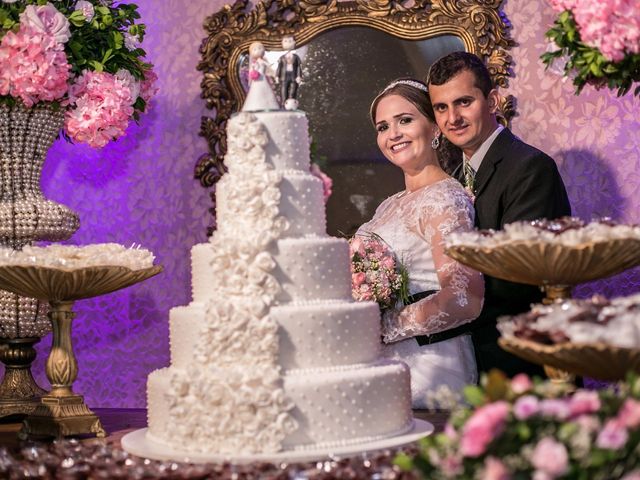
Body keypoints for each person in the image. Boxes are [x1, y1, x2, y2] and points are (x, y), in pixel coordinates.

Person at [426, 51, 571, 377]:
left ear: (491, 101)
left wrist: (431, 303)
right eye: (441, 108)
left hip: (519, 360)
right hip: (468, 360)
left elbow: (518, 276)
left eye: (464, 102)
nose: (453, 118)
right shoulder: (450, 176)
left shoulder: (530, 168)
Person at [357, 78, 484, 408]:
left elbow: (464, 298)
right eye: (383, 126)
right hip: (386, 363)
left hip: (432, 364)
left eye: (405, 120)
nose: (393, 134)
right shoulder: (389, 205)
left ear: (435, 128)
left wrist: (386, 326)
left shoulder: (445, 198)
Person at [243, 41, 279, 112]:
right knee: (255, 92)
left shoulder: (262, 61)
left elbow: (268, 66)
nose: (258, 51)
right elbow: (251, 71)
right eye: (255, 49)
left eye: (259, 48)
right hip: (256, 79)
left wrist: (274, 73)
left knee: (265, 91)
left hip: (262, 79)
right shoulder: (254, 63)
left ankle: (268, 105)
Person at [275, 36, 303, 110]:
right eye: (286, 41)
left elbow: (298, 67)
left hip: (293, 75)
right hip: (284, 76)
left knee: (293, 89)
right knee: (283, 89)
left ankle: (292, 105)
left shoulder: (296, 57)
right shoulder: (282, 57)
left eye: (290, 41)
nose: (288, 43)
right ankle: (283, 104)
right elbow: (279, 67)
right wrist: (277, 76)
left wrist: (299, 76)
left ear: (294, 43)